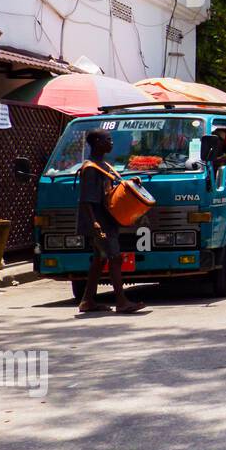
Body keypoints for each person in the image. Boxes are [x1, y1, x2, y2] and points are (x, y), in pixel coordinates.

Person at [76, 128, 144, 315]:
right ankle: (122, 302)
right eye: (108, 139)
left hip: (108, 219)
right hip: (98, 221)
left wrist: (131, 182)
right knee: (114, 258)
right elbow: (85, 201)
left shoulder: (104, 165)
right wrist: (95, 225)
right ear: (97, 142)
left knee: (99, 260)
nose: (111, 142)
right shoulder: (90, 169)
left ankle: (87, 301)